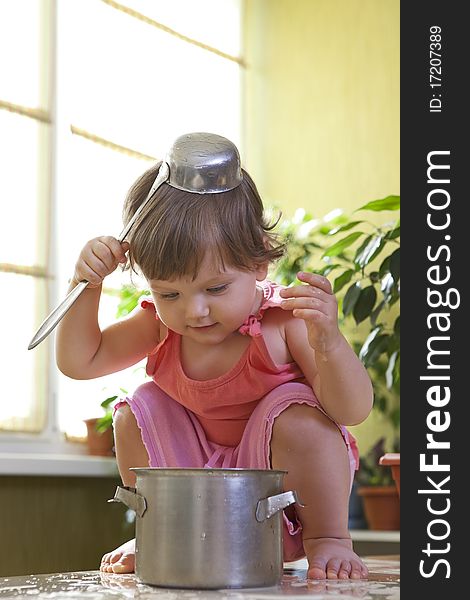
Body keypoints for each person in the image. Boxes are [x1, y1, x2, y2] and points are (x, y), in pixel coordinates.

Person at [56, 148, 373, 581]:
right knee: (137, 409)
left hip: (279, 505)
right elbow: (81, 361)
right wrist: (86, 285)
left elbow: (351, 411)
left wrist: (330, 345)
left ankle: (330, 538)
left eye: (216, 287)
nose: (195, 311)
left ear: (259, 262)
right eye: (170, 294)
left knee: (300, 414)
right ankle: (155, 528)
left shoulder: (283, 322)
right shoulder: (160, 326)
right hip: (194, 508)